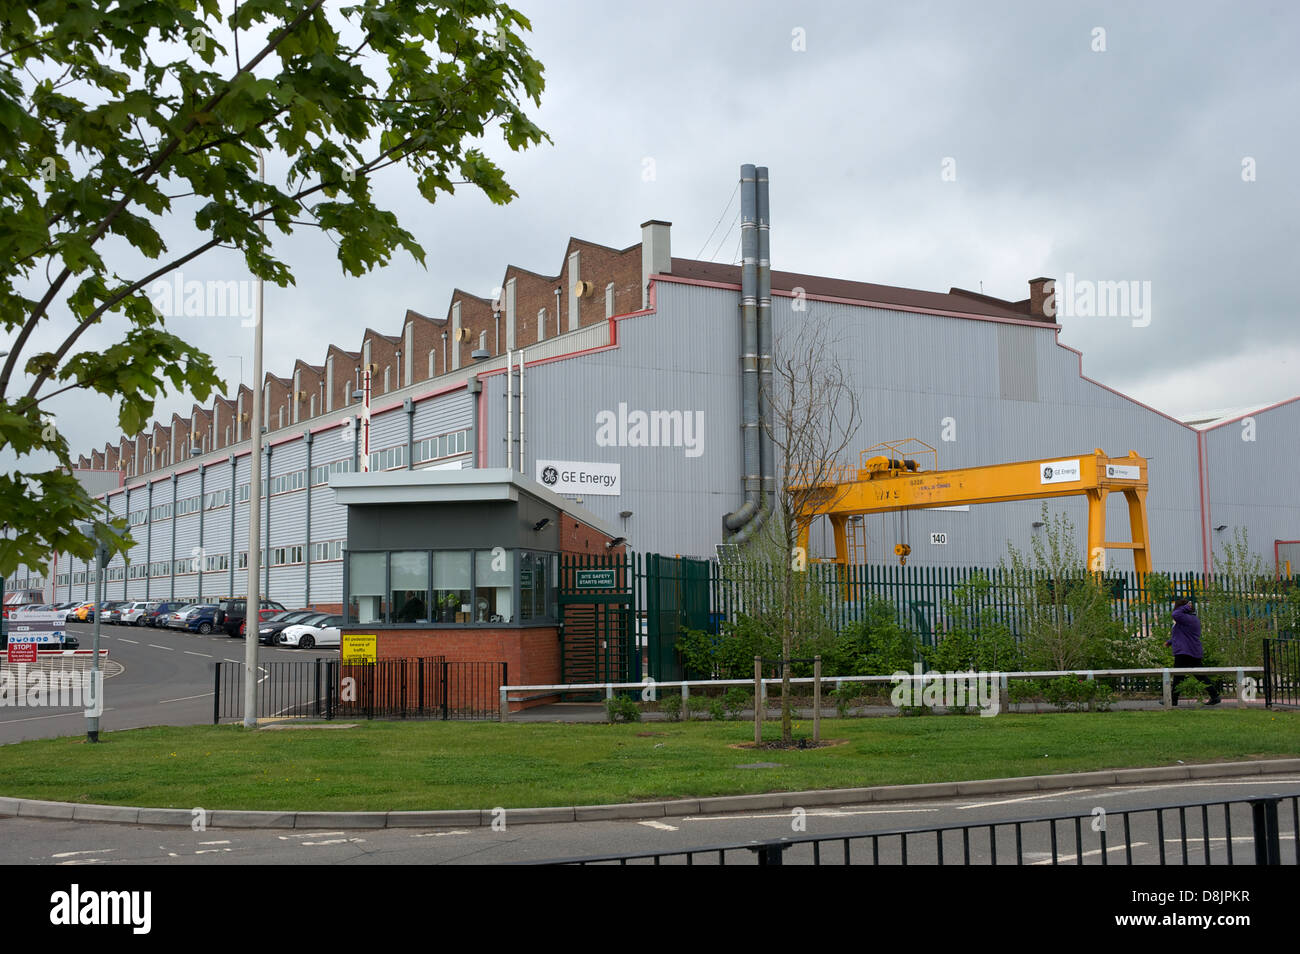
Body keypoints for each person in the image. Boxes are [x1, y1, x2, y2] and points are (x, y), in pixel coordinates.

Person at [1165, 598, 1220, 706]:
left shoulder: (1186, 618)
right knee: (1199, 676)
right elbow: (1182, 634)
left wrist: (1186, 605)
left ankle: (1173, 700)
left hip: (1185, 651)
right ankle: (1215, 696)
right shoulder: (1189, 618)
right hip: (1190, 650)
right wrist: (1170, 642)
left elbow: (1175, 614)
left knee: (1178, 676)